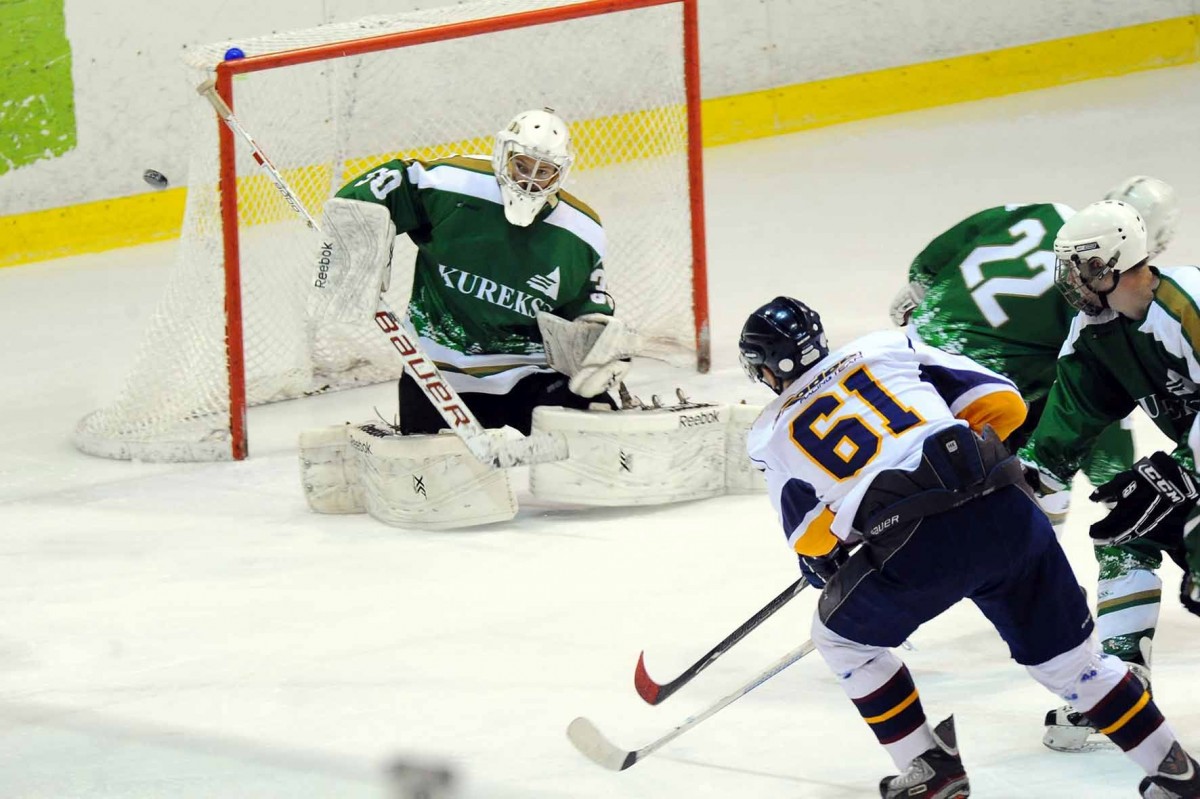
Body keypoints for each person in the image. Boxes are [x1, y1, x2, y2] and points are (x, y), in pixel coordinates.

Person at [739, 295, 1199, 798]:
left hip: (918, 545)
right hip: (1008, 508)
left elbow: (811, 535)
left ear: (765, 368)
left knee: (840, 639)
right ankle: (1177, 774)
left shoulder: (769, 431)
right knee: (1073, 664)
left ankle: (929, 769)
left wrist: (829, 551)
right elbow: (1004, 403)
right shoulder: (886, 346)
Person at [885, 177, 1182, 751]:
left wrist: (922, 294)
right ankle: (1113, 658)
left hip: (912, 367)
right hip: (982, 392)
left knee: (915, 488)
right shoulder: (1105, 306)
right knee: (1124, 503)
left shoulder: (1039, 213)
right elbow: (1084, 384)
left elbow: (934, 262)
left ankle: (875, 580)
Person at [325, 107, 636, 436]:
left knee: (597, 440)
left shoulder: (582, 231)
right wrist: (357, 233)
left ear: (560, 173)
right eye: (522, 165)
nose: (530, 179)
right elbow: (380, 188)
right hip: (439, 377)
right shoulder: (452, 186)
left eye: (543, 171)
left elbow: (587, 307)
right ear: (503, 155)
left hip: (533, 377)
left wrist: (598, 341)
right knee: (434, 464)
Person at [1020, 199, 1200, 755]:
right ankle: (1122, 686)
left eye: (1078, 266)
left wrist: (1184, 471)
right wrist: (1013, 489)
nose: (1069, 280)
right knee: (1127, 530)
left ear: (1108, 265)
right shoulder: (1097, 331)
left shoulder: (1189, 302)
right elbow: (1068, 421)